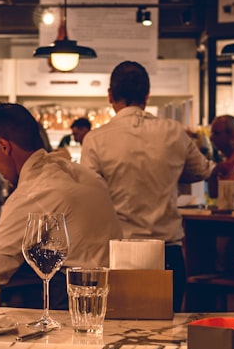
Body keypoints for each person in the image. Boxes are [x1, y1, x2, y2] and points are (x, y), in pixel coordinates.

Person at [81, 60, 210, 312]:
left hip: (116, 252)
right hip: (167, 252)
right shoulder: (174, 132)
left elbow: (90, 193)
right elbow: (203, 170)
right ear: (147, 96)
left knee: (116, 335)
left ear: (110, 96)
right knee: (166, 334)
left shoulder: (95, 139)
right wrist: (169, 172)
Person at [0, 102, 122, 309]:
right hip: (118, 292)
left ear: (4, 146)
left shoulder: (35, 191)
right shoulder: (81, 173)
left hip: (77, 299)